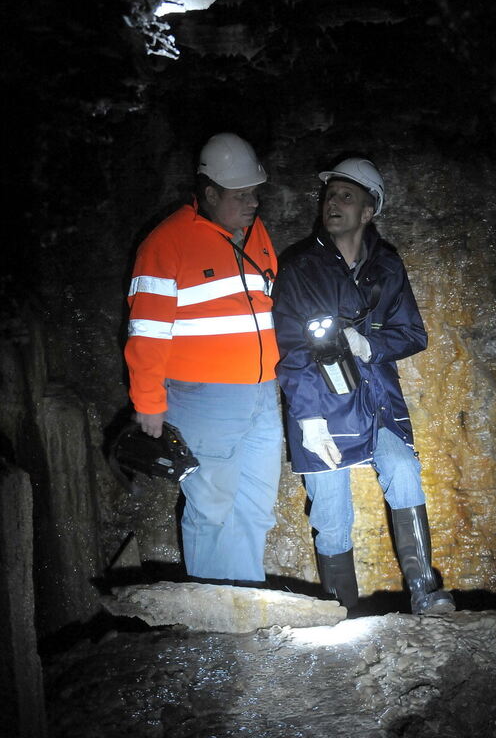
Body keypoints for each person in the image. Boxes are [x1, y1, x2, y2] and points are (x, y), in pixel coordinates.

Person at [272, 157, 455, 615]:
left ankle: (425, 591)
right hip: (321, 405)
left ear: (368, 210)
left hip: (377, 401)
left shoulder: (387, 265)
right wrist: (308, 417)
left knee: (405, 472)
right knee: (332, 516)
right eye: (329, 195)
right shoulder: (300, 267)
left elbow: (415, 334)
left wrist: (369, 344)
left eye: (345, 196)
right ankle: (341, 615)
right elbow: (291, 349)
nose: (332, 203)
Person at [124, 133, 282, 585]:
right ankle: (211, 614)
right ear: (210, 192)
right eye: (240, 195)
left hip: (261, 395)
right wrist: (149, 403)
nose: (252, 203)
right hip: (202, 401)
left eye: (255, 193)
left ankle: (246, 600)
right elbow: (147, 331)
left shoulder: (255, 234)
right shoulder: (167, 242)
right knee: (211, 508)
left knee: (255, 506)